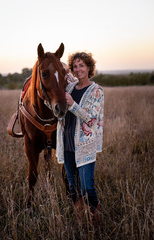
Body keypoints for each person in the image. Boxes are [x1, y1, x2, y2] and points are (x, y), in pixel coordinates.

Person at [56, 52, 104, 225]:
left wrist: (72, 104)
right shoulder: (69, 88)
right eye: (75, 66)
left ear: (89, 68)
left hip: (85, 146)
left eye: (81, 65)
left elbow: (91, 120)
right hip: (67, 145)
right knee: (73, 188)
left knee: (87, 187)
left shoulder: (96, 91)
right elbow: (58, 110)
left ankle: (96, 224)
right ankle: (81, 222)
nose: (78, 69)